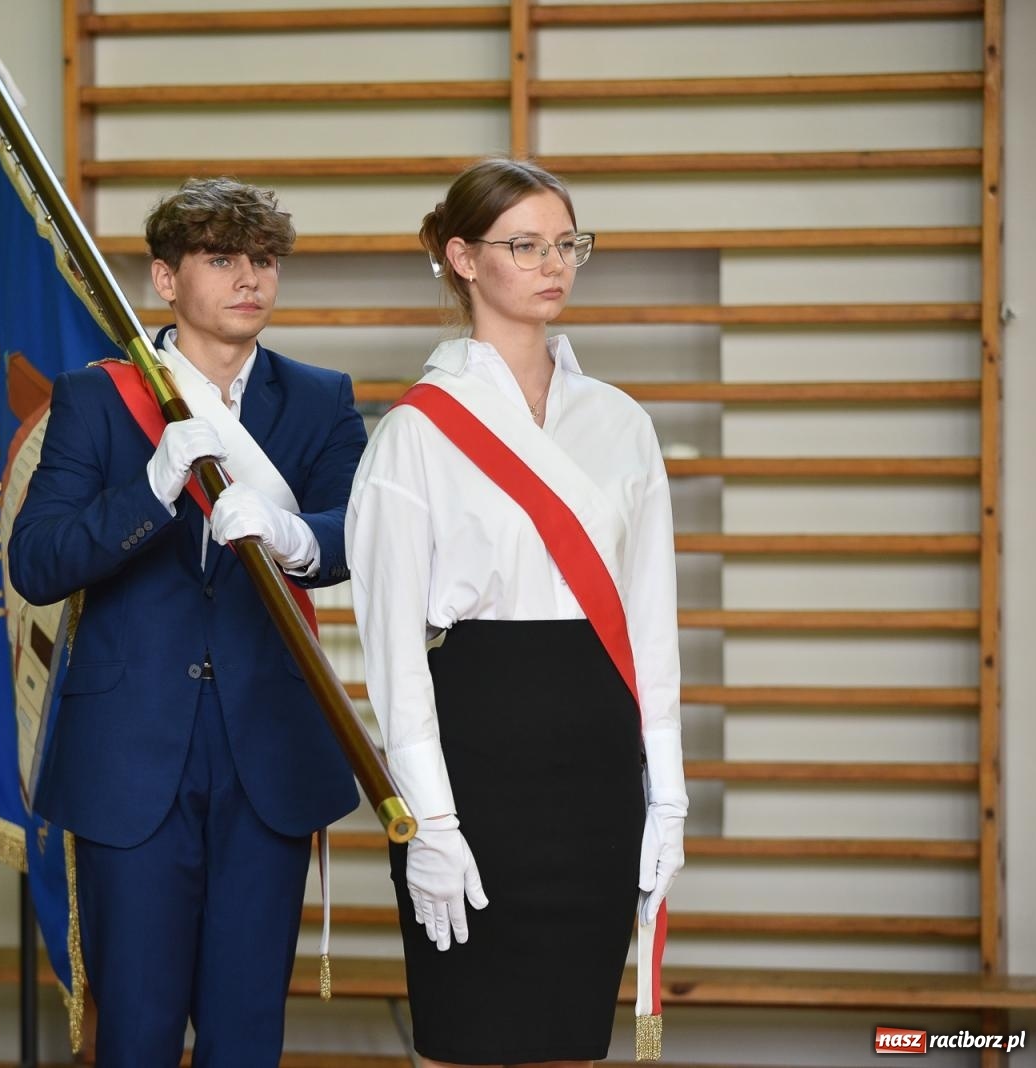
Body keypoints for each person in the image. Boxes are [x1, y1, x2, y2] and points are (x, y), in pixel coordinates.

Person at [7, 177, 365, 1067]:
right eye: (221, 259)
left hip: (269, 750)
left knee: (246, 1036)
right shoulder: (97, 398)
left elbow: (360, 533)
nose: (249, 278)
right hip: (130, 751)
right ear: (166, 280)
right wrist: (152, 490)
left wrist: (288, 533)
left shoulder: (320, 397)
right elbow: (38, 561)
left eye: (264, 260)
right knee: (135, 1034)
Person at [347, 158, 688, 1067]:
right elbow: (391, 655)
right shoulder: (413, 433)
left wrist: (671, 796)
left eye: (566, 244)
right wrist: (433, 823)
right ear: (462, 258)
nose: (554, 264)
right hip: (473, 760)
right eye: (524, 244)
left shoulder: (621, 423)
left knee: (574, 1041)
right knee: (465, 1043)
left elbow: (652, 626)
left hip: (598, 763)